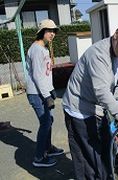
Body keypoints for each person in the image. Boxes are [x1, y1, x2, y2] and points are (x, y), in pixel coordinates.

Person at [62, 20, 118, 179]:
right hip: (79, 109)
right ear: (117, 34)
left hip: (95, 107)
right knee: (89, 157)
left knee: (102, 151)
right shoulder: (99, 54)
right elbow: (102, 92)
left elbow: (114, 84)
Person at [25, 19, 64, 168]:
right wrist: (46, 95)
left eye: (54, 31)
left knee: (49, 121)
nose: (52, 34)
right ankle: (39, 157)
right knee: (46, 122)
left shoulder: (44, 49)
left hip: (42, 91)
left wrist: (51, 89)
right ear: (42, 31)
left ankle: (48, 148)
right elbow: (37, 76)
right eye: (49, 31)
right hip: (36, 93)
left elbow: (45, 74)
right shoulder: (36, 49)